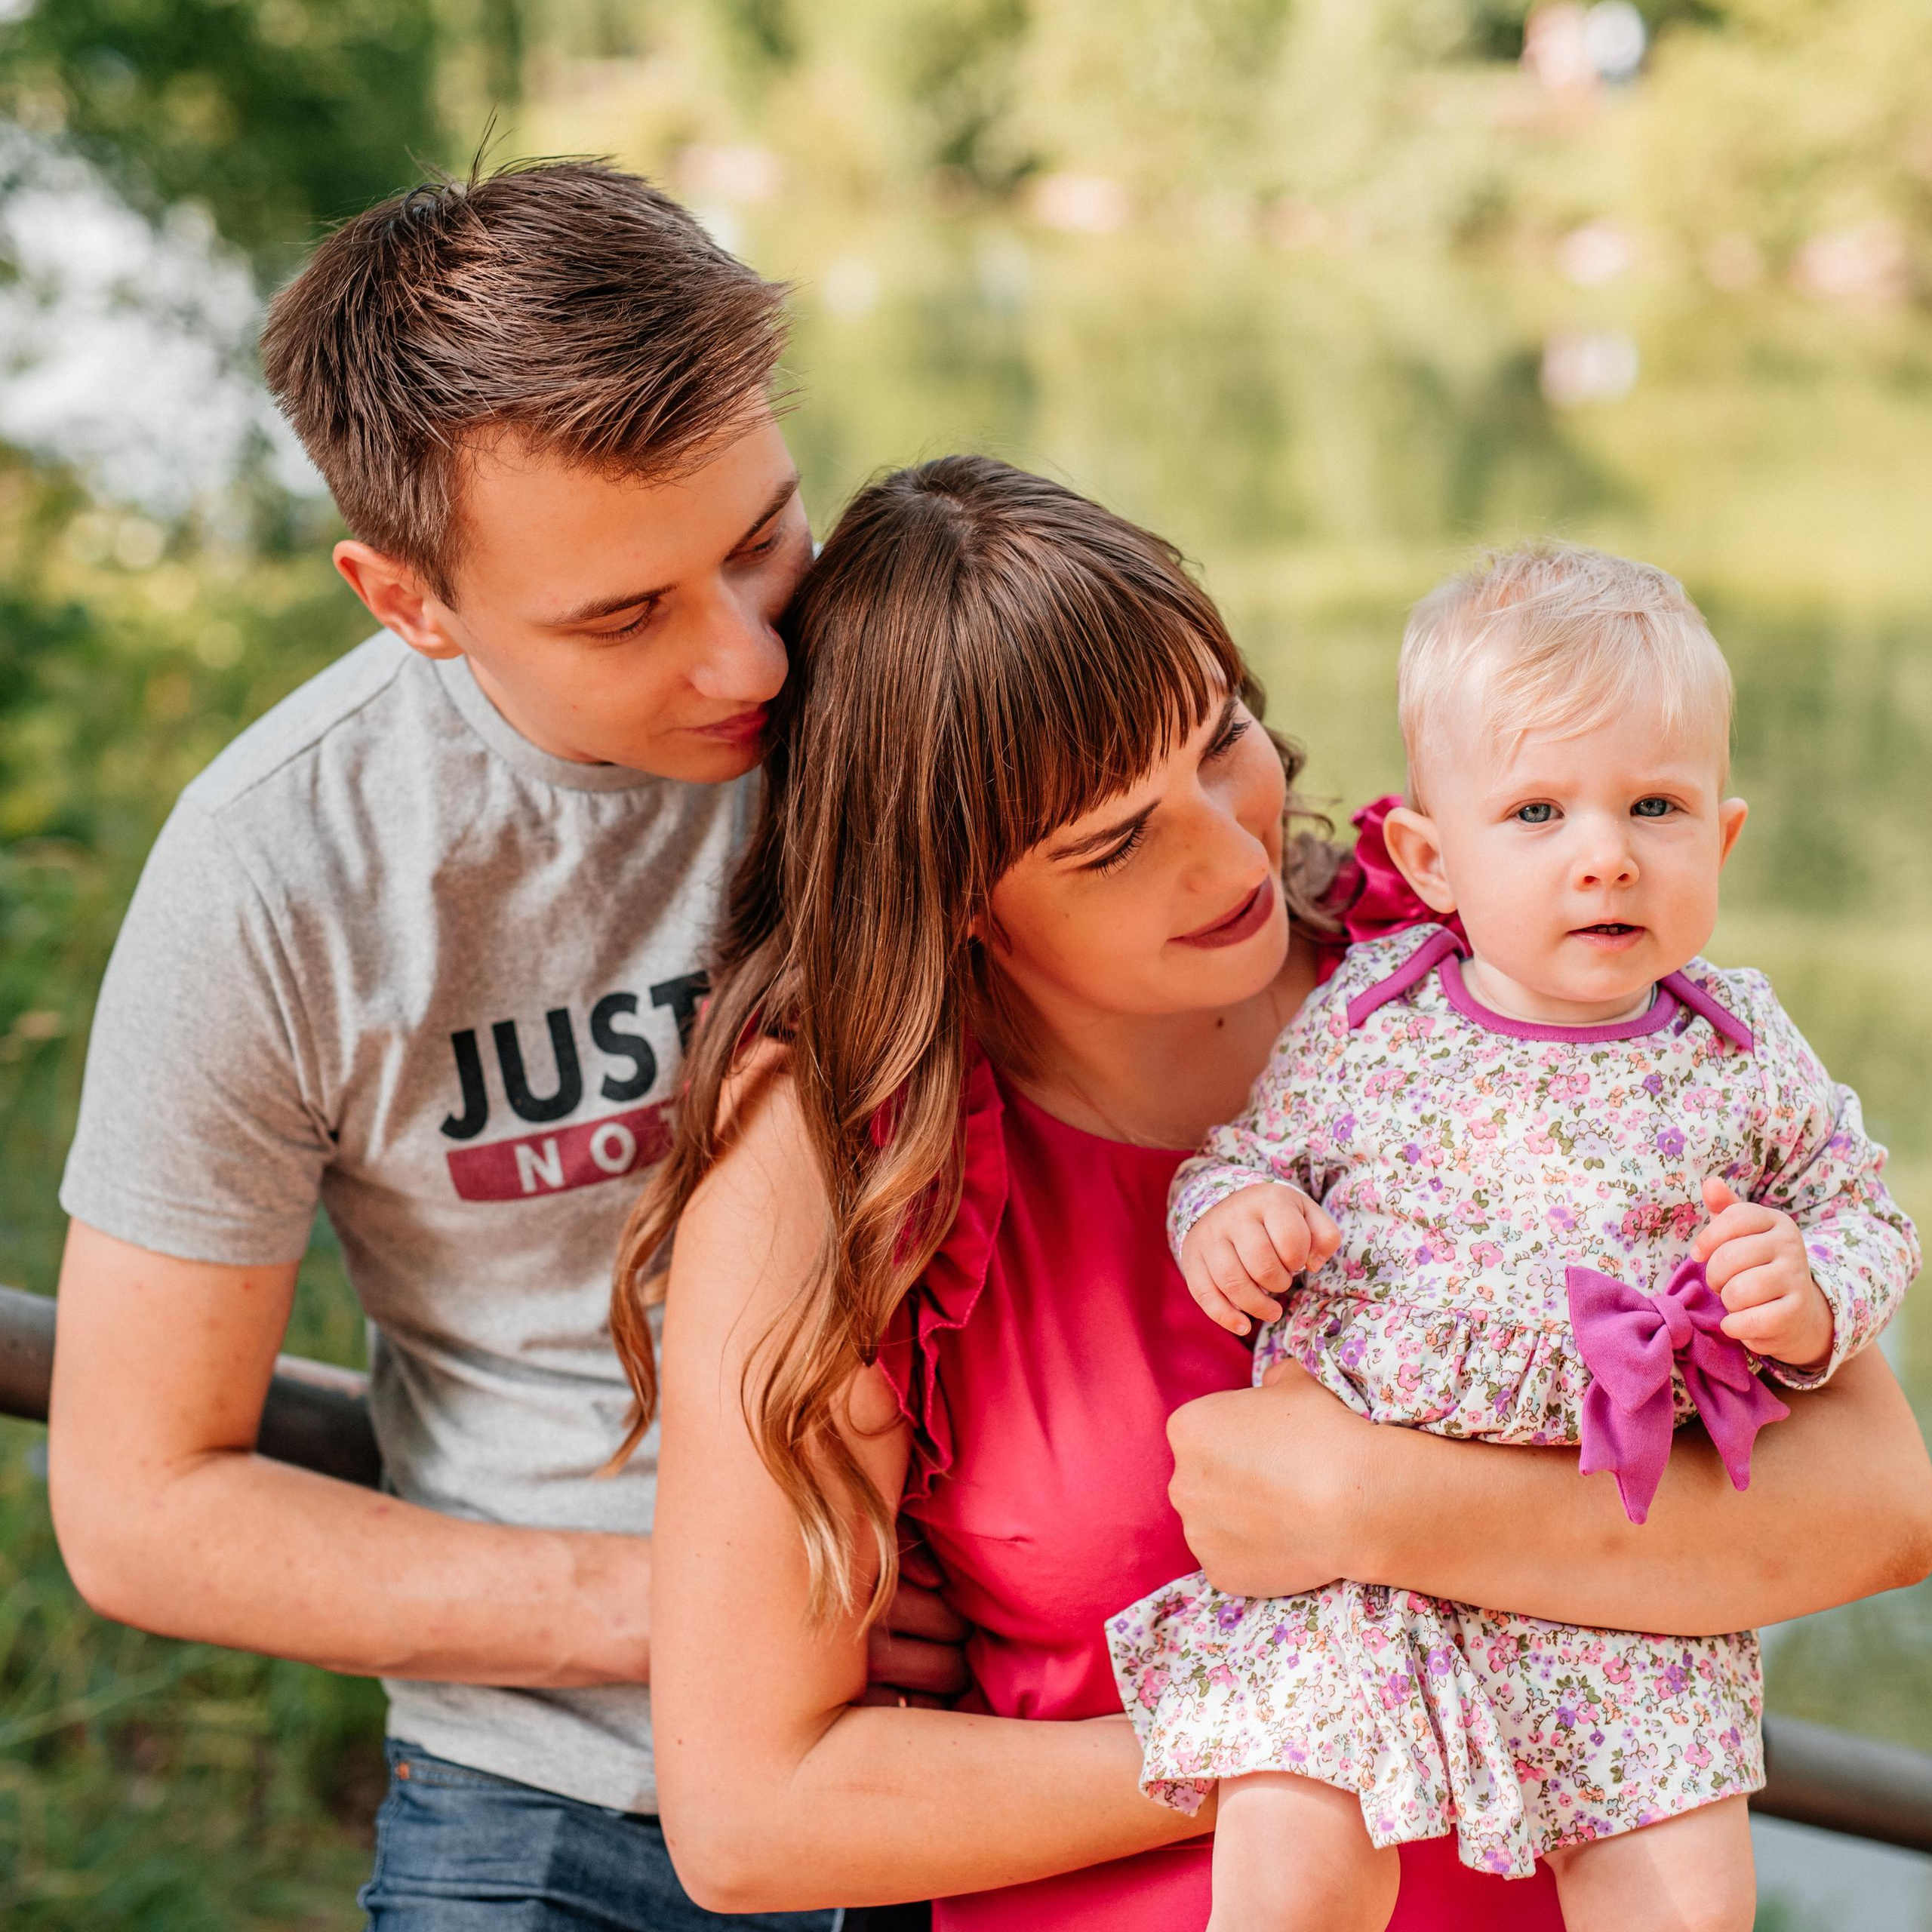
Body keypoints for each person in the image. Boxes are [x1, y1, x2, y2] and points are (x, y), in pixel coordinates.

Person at [617, 459, 1932, 1928]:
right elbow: (752, 1818)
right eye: (1116, 839)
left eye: (1221, 736)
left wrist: (1377, 1508)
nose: (1231, 843)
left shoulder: (1482, 961)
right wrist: (1304, 1729)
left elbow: (1875, 1504)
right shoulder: (835, 1161)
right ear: (955, 892)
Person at [46, 159, 955, 1930]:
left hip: (1009, 1735)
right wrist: (709, 1602)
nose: (750, 665)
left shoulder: (923, 679)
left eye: (759, 540)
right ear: (408, 600)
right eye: (622, 615)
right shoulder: (278, 871)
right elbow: (142, 1501)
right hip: (558, 1797)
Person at [1110, 543, 1920, 1932]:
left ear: (1722, 840)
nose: (1607, 855)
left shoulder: (1740, 1049)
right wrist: (1232, 1221)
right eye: (1538, 812)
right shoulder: (1374, 1020)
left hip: (1622, 1565)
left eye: (1656, 807)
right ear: (1432, 861)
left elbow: (1865, 1212)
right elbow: (1242, 1161)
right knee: (1291, 1862)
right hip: (1362, 1582)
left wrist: (1811, 1295)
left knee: (1684, 1900)